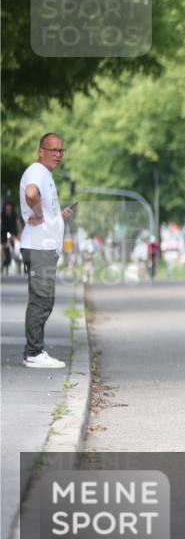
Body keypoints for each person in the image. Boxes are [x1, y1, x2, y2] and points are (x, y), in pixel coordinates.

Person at [19, 133, 74, 368]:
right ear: (41, 151)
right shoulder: (37, 171)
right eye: (53, 150)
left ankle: (34, 351)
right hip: (39, 247)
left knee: (43, 300)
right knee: (41, 301)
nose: (58, 155)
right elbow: (31, 193)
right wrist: (39, 213)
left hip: (43, 247)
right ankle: (34, 353)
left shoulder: (45, 174)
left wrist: (56, 217)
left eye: (61, 150)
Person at [2, 200, 23, 275]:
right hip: (3, 237)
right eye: (7, 206)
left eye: (9, 206)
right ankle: (4, 263)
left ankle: (18, 260)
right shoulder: (2, 216)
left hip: (14, 236)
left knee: (18, 246)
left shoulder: (15, 216)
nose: (8, 208)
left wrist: (20, 235)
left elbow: (19, 225)